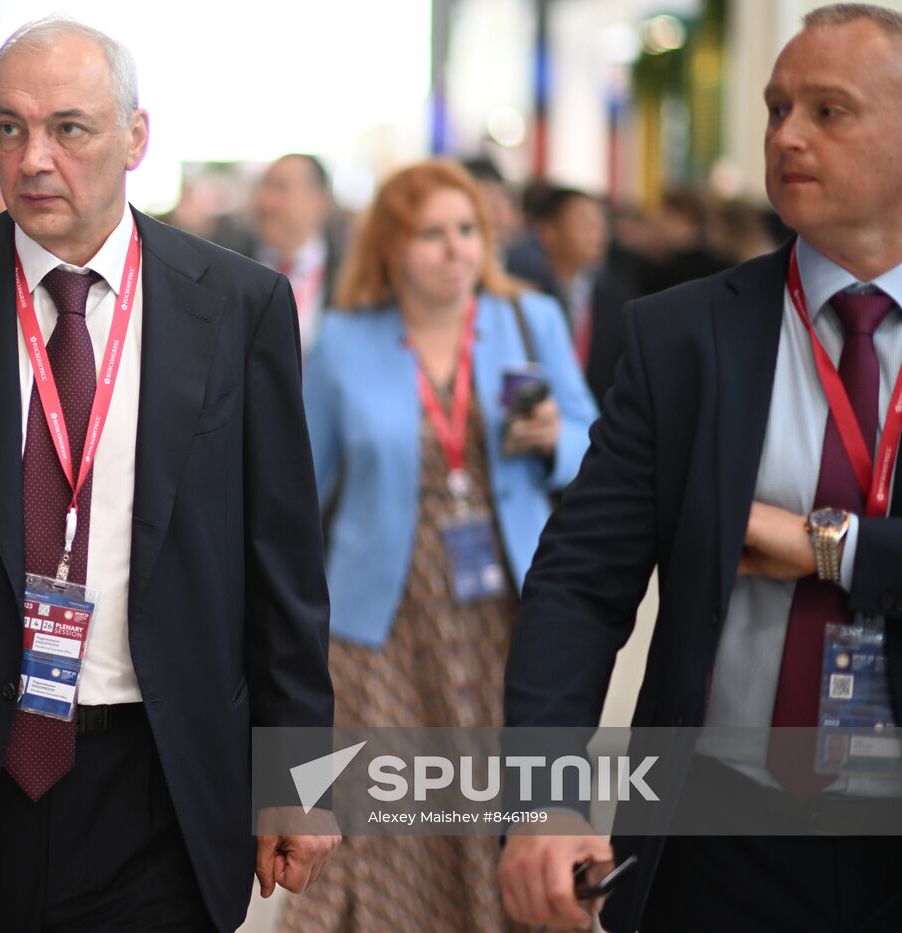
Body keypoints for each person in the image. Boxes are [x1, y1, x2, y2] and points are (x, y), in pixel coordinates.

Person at [0, 17, 337, 933]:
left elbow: (282, 559)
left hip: (163, 778)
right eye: (9, 128)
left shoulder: (238, 305)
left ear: (135, 138)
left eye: (68, 128)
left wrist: (301, 774)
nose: (34, 157)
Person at [499, 5, 902, 931]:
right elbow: (578, 584)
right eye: (776, 107)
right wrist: (546, 799)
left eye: (829, 111)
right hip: (722, 827)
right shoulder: (686, 336)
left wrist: (830, 547)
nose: (787, 135)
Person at [281, 161, 596, 932]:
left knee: (501, 800)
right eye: (431, 233)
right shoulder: (345, 343)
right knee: (395, 817)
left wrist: (559, 438)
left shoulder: (530, 320)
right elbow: (298, 490)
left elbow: (601, 444)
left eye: (466, 230)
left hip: (507, 612)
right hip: (384, 622)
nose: (455, 249)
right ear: (389, 247)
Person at [507, 186, 634, 405]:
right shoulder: (521, 295)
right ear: (548, 231)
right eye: (585, 222)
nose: (598, 233)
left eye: (602, 223)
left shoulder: (618, 299)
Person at [247, 154, 341, 355]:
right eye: (263, 187)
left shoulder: (348, 273)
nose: (266, 202)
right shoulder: (233, 267)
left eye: (280, 188)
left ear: (318, 201)